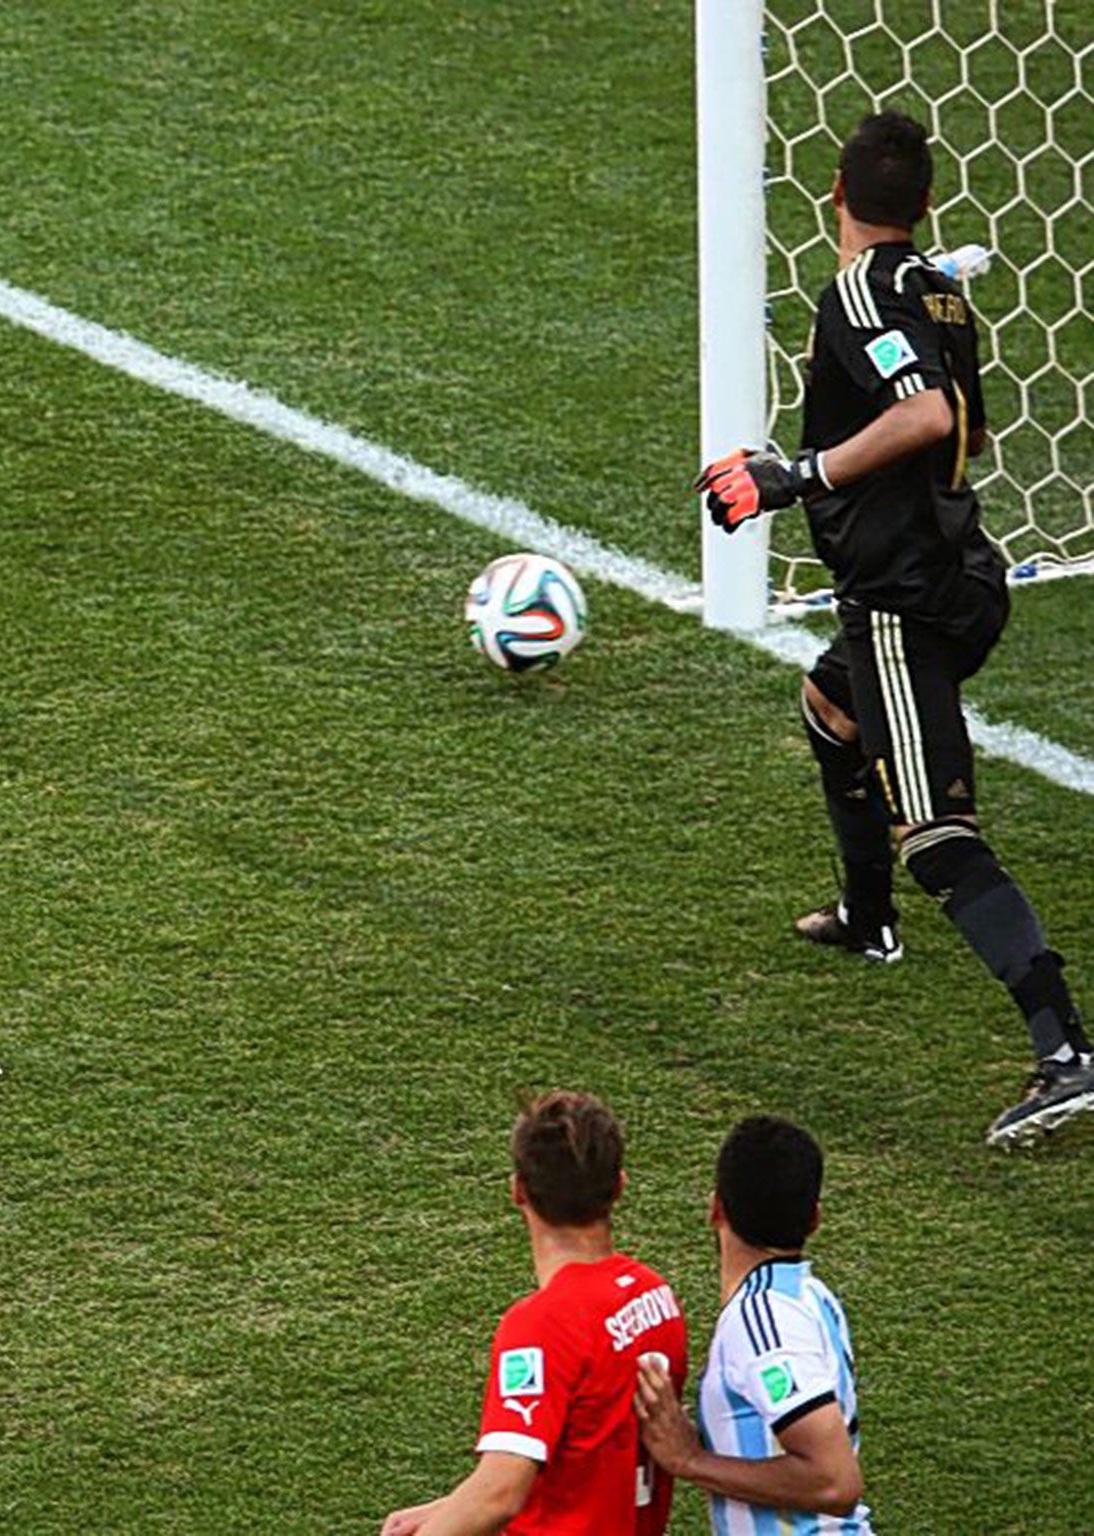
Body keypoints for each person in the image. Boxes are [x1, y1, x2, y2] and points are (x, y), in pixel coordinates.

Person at [697, 110, 1094, 1147]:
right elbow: (963, 422)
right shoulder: (936, 292)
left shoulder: (860, 290)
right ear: (922, 202)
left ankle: (1064, 1052)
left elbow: (921, 417)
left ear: (833, 195)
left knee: (939, 835)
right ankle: (865, 919)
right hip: (956, 568)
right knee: (828, 710)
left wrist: (799, 476)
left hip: (902, 603)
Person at [379, 1091, 688, 1536]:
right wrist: (448, 1509)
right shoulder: (655, 1296)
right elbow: (585, 1454)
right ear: (619, 1185)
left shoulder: (543, 1324)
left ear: (517, 1190)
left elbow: (501, 1494)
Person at [634, 1117, 872, 1534]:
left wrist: (690, 1459)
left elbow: (836, 1481)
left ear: (716, 1208)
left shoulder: (764, 1322)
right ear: (814, 1219)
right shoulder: (808, 1297)